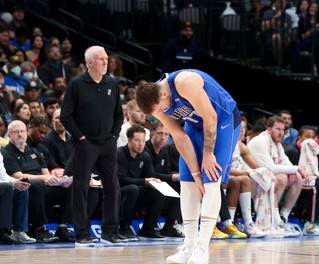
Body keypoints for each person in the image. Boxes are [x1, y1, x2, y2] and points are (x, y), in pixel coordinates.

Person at [135, 69, 241, 264]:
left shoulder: (185, 82)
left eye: (160, 108)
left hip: (223, 121)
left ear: (164, 94)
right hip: (194, 126)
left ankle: (202, 248)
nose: (160, 113)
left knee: (211, 180)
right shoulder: (156, 102)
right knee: (187, 182)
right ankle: (190, 245)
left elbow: (211, 118)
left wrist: (208, 155)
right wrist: (195, 172)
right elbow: (178, 135)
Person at [60, 45, 124, 246]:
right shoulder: (77, 84)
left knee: (112, 186)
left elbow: (119, 115)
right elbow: (66, 116)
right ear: (89, 63)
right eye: (100, 59)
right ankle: (81, 233)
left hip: (108, 143)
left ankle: (110, 232)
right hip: (85, 144)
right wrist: (80, 137)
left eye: (106, 58)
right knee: (81, 188)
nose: (105, 62)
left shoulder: (112, 84)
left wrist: (114, 136)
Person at [246, 115, 306, 236]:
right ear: (269, 129)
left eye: (283, 130)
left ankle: (283, 218)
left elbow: (285, 160)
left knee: (298, 179)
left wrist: (294, 171)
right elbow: (270, 168)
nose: (281, 133)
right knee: (282, 178)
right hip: (250, 179)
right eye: (277, 129)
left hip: (264, 178)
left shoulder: (276, 143)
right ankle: (272, 220)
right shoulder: (260, 141)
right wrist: (295, 168)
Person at [117, 124, 166, 240]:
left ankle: (148, 229)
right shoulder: (119, 154)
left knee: (159, 192)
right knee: (132, 189)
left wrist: (155, 181)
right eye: (137, 140)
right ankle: (124, 228)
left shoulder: (144, 156)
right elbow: (121, 179)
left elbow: (151, 176)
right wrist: (144, 181)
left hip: (136, 191)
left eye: (143, 141)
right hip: (119, 191)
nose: (141, 144)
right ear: (129, 140)